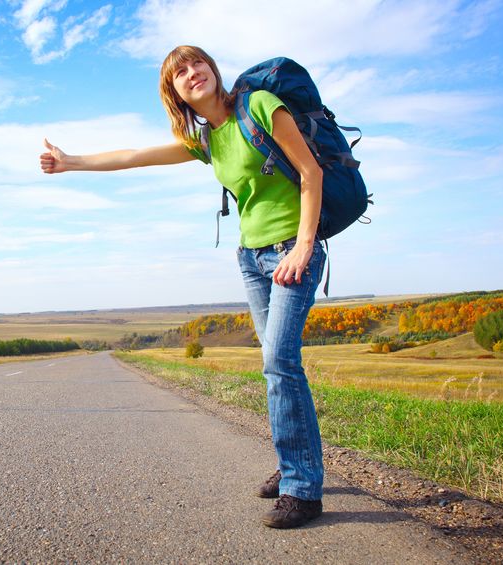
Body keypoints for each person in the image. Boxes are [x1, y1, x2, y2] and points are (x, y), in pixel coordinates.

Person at [39, 45, 326, 529]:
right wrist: (71, 162)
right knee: (273, 363)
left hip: (291, 250)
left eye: (197, 64)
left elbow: (310, 171)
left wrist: (302, 246)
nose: (192, 73)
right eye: (180, 73)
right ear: (174, 93)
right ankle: (293, 461)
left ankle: (304, 489)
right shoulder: (206, 140)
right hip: (252, 259)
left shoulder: (257, 106)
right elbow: (134, 155)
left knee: (281, 359)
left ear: (214, 69)